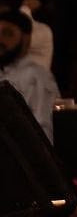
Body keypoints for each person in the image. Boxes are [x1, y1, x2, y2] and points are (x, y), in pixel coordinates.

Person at [0, 9, 59, 141]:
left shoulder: (36, 76)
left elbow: (42, 130)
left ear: (26, 39)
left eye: (7, 34)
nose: (1, 40)